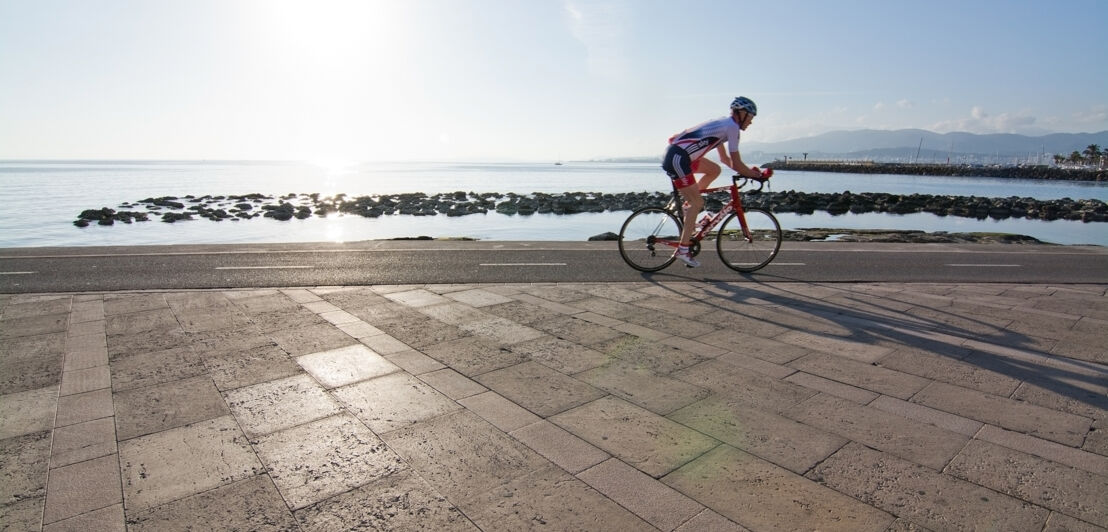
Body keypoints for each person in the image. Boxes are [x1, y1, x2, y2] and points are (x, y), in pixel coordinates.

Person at [662, 96, 766, 267]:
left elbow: (725, 160)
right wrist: (756, 175)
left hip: (681, 156)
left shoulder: (723, 125)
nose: (751, 122)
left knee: (714, 170)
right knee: (698, 202)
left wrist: (748, 172)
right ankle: (683, 249)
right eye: (751, 117)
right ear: (741, 113)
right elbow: (737, 163)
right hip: (678, 158)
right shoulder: (732, 128)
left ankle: (689, 207)